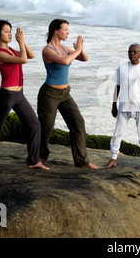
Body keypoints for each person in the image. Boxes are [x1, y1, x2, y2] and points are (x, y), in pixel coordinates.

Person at [0, 20, 48, 170]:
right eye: (6, 31)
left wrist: (23, 41)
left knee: (34, 124)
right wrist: (20, 42)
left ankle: (33, 160)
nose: (9, 34)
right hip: (6, 96)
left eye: (10, 30)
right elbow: (24, 60)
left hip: (19, 96)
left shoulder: (12, 50)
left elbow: (31, 55)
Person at [37, 19, 97, 169]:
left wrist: (79, 49)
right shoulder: (48, 50)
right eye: (65, 30)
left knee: (78, 123)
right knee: (46, 127)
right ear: (56, 31)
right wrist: (76, 51)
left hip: (65, 93)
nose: (68, 33)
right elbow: (64, 62)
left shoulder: (64, 48)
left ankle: (82, 161)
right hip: (49, 94)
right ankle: (37, 159)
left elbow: (84, 58)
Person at [105, 43, 140, 168]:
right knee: (118, 132)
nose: (131, 54)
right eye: (130, 52)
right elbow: (117, 87)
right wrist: (114, 105)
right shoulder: (122, 68)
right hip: (124, 105)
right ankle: (113, 158)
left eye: (134, 52)